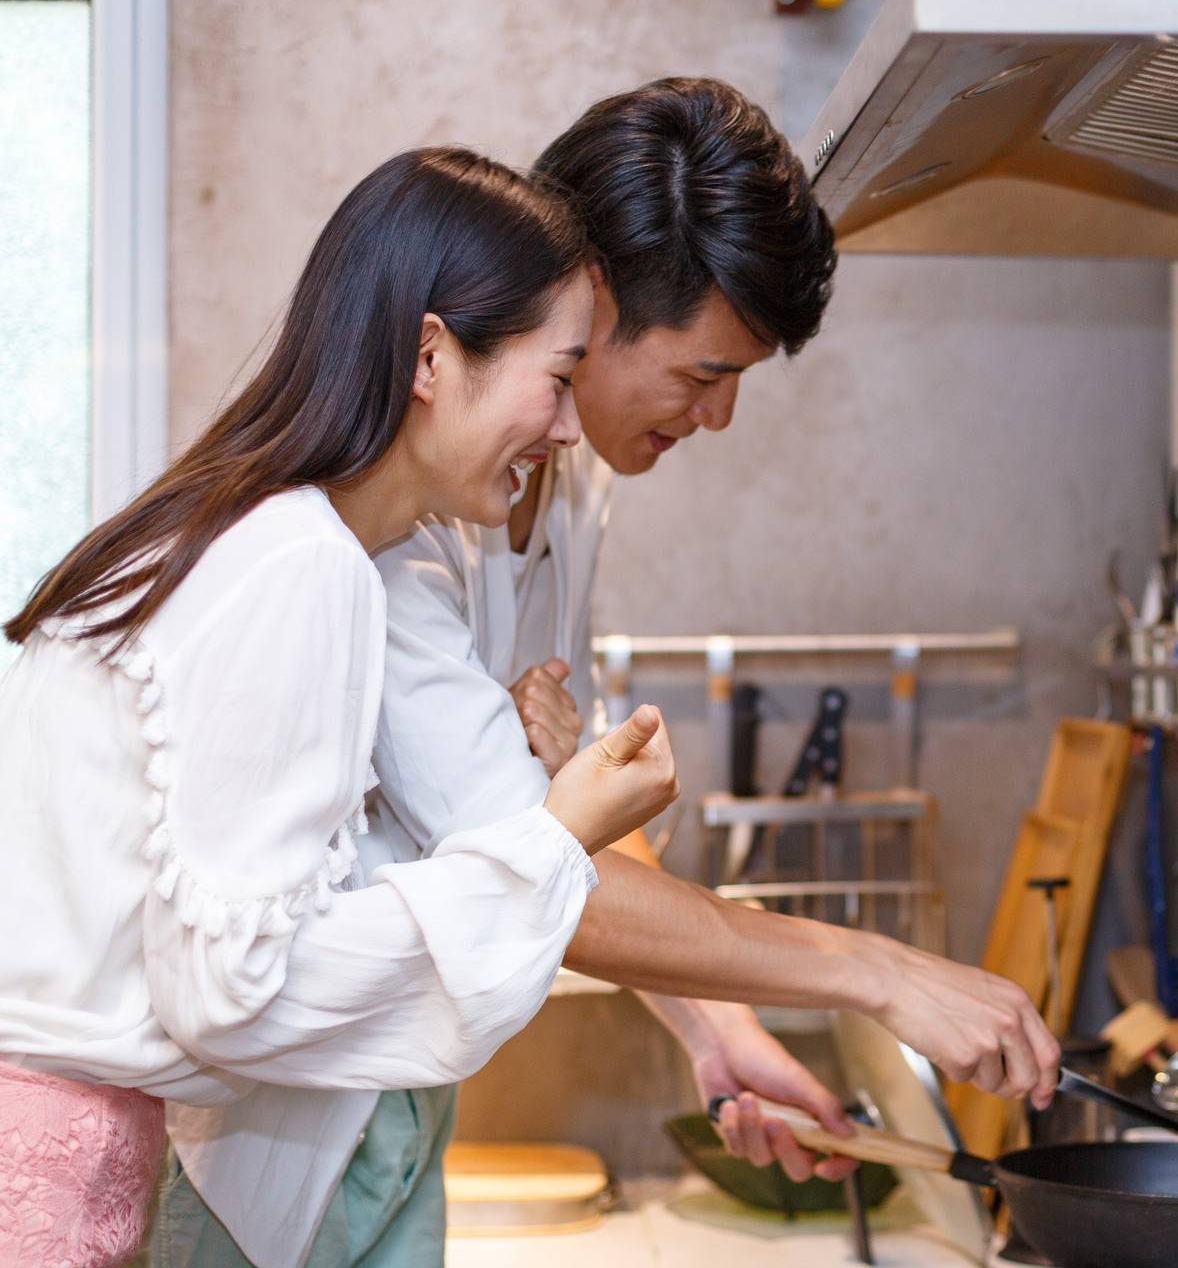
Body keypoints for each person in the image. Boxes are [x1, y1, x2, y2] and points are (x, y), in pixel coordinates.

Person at [150, 82, 1061, 1267]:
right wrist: (874, 971)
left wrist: (720, 1031)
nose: (719, 415)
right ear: (593, 302)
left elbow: (557, 820)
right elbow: (532, 857)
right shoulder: (378, 536)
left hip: (404, 1097)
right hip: (266, 1146)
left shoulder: (566, 488)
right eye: (704, 372)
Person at [0, 146, 679, 1267]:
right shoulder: (302, 559)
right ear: (431, 356)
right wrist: (555, 838)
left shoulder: (253, 528)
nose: (569, 429)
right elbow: (234, 992)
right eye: (558, 379)